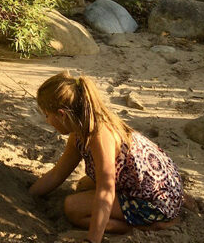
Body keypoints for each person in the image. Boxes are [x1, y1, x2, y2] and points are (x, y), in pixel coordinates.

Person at [29, 72, 182, 243]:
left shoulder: (100, 136)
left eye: (47, 115)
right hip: (151, 187)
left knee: (73, 208)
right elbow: (57, 174)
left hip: (156, 202)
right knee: (83, 185)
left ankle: (148, 226)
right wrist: (27, 195)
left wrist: (93, 240)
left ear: (61, 114)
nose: (47, 120)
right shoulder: (80, 132)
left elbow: (106, 189)